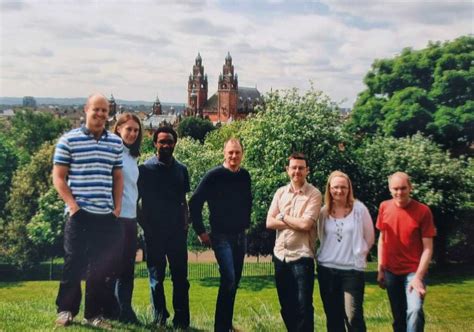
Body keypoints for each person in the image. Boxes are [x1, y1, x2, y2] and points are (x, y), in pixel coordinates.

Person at [53, 93, 124, 328]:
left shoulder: (115, 143)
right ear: (86, 110)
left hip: (105, 215)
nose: (101, 114)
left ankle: (94, 314)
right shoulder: (68, 140)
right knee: (74, 263)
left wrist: (117, 208)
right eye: (97, 109)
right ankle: (66, 310)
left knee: (99, 268)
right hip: (79, 214)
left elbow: (117, 177)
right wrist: (73, 207)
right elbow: (59, 178)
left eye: (105, 110)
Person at [189, 138, 252, 332]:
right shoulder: (213, 175)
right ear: (224, 153)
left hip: (240, 235)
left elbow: (248, 200)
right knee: (229, 278)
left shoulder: (245, 176)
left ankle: (226, 324)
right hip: (221, 236)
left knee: (235, 281)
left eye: (237, 153)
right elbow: (195, 203)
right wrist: (200, 231)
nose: (234, 156)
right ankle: (220, 327)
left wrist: (246, 223)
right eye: (230, 152)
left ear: (242, 154)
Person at [138, 126, 190, 329]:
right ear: (155, 144)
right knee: (156, 279)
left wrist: (185, 225)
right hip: (154, 234)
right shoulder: (145, 170)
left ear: (175, 144)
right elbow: (137, 202)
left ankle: (182, 320)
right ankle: (159, 318)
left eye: (170, 141)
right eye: (162, 142)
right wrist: (146, 227)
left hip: (177, 234)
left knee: (181, 279)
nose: (166, 145)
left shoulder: (181, 170)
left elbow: (184, 201)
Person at [266, 152, 322, 332]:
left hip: (302, 256)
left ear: (307, 171)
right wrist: (291, 221)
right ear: (287, 170)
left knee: (304, 306)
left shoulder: (314, 194)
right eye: (294, 168)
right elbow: (269, 222)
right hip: (280, 256)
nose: (297, 171)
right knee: (286, 306)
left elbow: (306, 224)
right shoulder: (280, 192)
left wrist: (282, 217)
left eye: (301, 168)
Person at [376, 172, 436, 332]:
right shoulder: (384, 207)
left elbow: (428, 248)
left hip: (413, 272)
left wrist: (418, 277)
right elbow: (382, 239)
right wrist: (380, 268)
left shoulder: (423, 211)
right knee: (399, 317)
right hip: (391, 272)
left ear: (410, 188)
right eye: (395, 189)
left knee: (415, 311)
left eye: (403, 188)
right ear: (389, 189)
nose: (399, 192)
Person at [316, 171, 374, 332]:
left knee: (353, 316)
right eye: (335, 187)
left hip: (352, 271)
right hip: (327, 270)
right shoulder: (323, 212)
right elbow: (321, 237)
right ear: (329, 189)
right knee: (333, 318)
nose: (339, 191)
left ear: (349, 189)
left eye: (343, 187)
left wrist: (359, 254)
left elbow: (369, 237)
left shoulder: (359, 210)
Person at [113, 113, 143, 324]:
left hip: (130, 219)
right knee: (112, 266)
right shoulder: (111, 153)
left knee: (127, 268)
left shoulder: (132, 157)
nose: (132, 133)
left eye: (136, 130)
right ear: (118, 129)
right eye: (128, 129)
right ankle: (111, 310)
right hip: (115, 218)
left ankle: (125, 309)